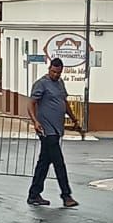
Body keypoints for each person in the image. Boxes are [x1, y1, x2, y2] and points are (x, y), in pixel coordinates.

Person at [27, 56, 84, 208]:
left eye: (58, 73)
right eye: (53, 72)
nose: (55, 75)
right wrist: (35, 121)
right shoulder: (41, 84)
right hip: (46, 130)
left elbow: (64, 103)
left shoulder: (60, 84)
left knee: (44, 162)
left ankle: (34, 194)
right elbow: (31, 104)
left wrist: (74, 119)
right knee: (59, 163)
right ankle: (66, 195)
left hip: (57, 129)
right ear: (49, 69)